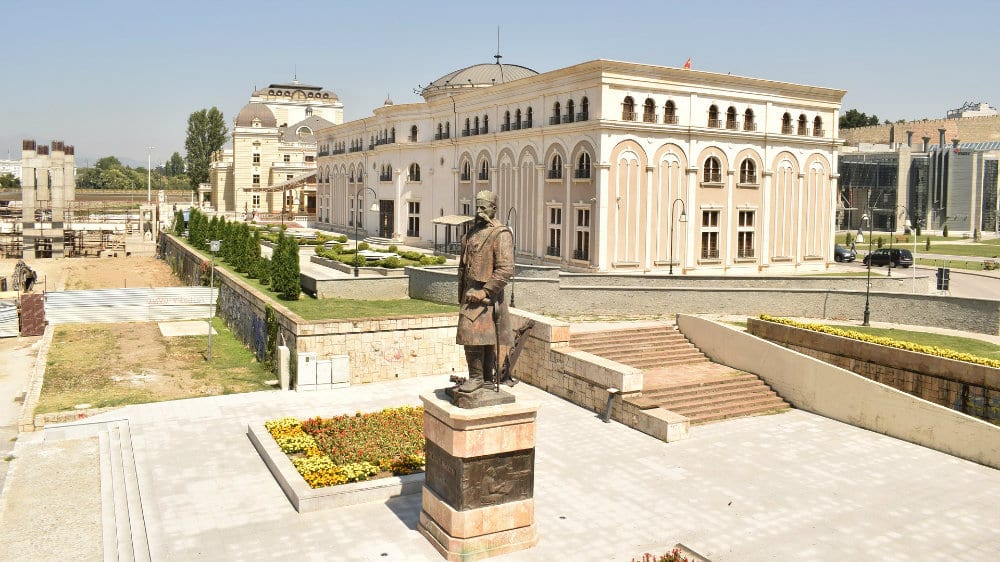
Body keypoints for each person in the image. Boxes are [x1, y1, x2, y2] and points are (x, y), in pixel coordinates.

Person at [455, 190, 514, 393]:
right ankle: (486, 380)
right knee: (483, 337)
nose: (479, 211)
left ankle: (478, 378)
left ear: (493, 209)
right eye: (477, 207)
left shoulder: (501, 233)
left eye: (484, 207)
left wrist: (485, 292)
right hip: (470, 293)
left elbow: (506, 269)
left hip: (486, 297)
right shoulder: (473, 232)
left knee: (470, 333)